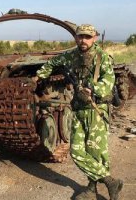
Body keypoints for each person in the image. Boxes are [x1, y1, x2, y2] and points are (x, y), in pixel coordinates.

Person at [32, 24, 123, 200]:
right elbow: (53, 62)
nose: (83, 40)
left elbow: (108, 82)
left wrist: (93, 88)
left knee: (96, 151)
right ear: (76, 37)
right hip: (79, 108)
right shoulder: (71, 55)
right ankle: (110, 180)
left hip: (96, 109)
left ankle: (91, 189)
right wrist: (39, 76)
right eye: (80, 36)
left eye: (87, 37)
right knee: (77, 151)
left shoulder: (102, 58)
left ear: (94, 38)